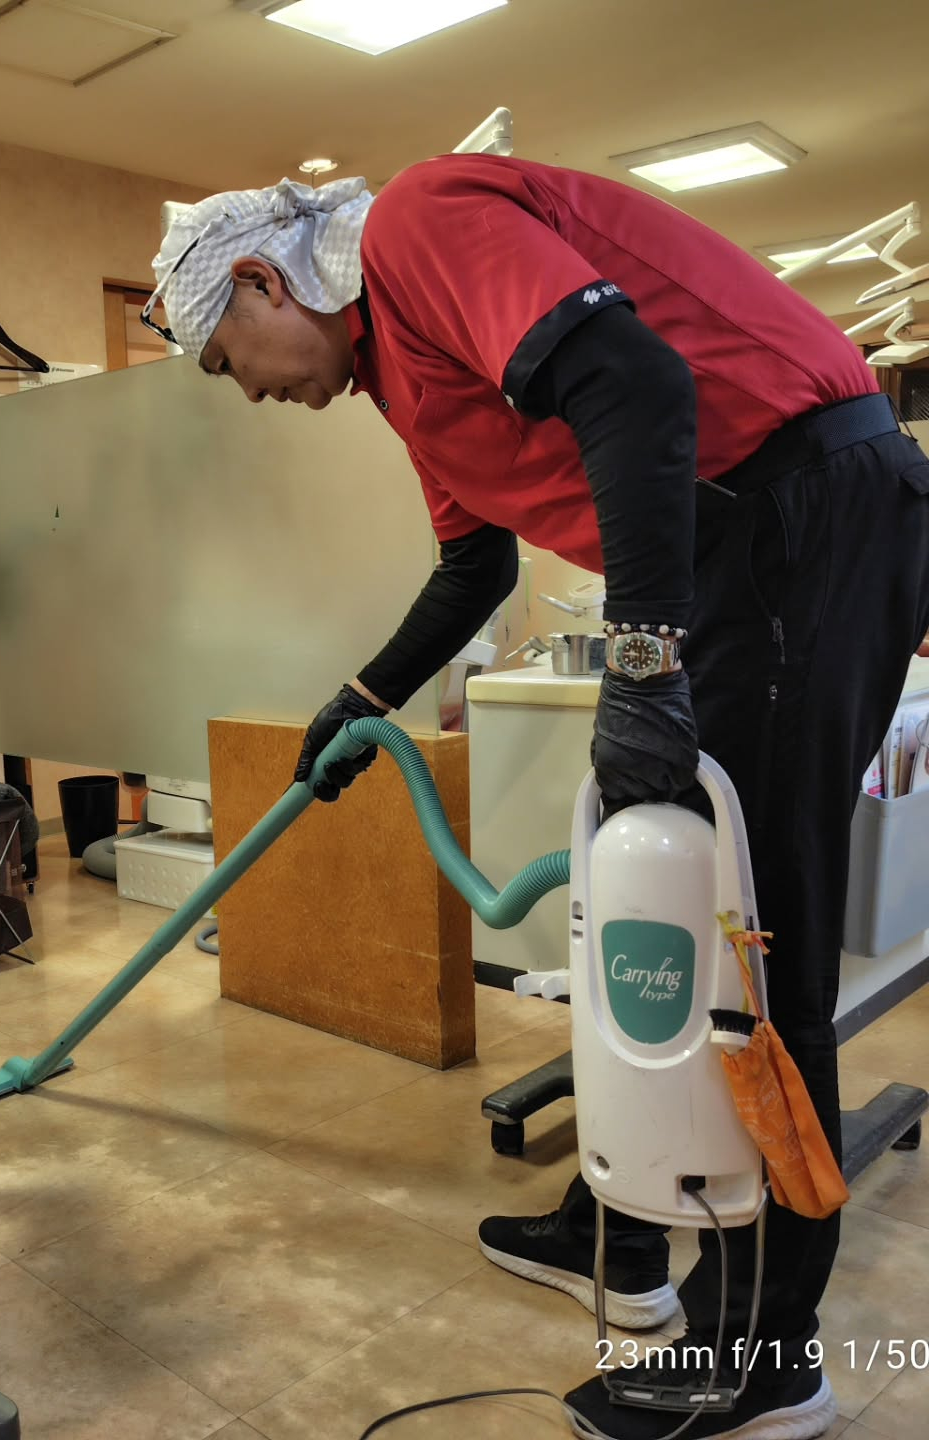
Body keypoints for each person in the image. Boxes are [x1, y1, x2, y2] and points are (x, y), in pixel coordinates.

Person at [143, 157, 929, 1440]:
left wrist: (642, 658)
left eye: (231, 362)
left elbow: (638, 383)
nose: (256, 393)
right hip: (738, 541)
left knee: (749, 938)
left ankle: (762, 1359)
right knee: (654, 906)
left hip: (798, 514)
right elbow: (475, 570)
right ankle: (621, 1229)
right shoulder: (402, 377)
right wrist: (362, 698)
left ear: (262, 282)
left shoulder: (416, 229)